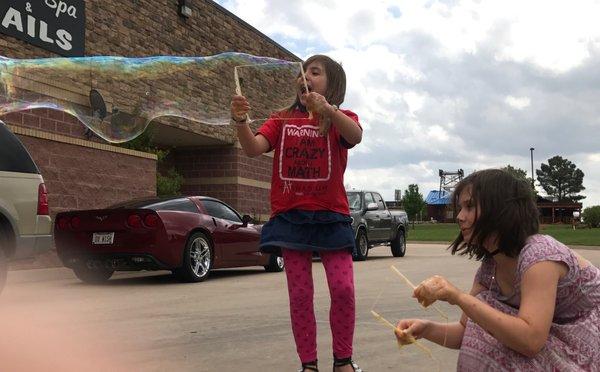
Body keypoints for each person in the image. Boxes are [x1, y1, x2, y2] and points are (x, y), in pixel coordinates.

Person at [230, 55, 363, 372]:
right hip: (290, 218)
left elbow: (355, 136)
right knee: (301, 295)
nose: (306, 76)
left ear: (333, 84)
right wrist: (240, 121)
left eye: (315, 72)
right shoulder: (281, 118)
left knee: (343, 289)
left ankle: (342, 360)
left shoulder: (340, 117)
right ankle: (309, 365)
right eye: (303, 72)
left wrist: (326, 110)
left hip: (331, 216)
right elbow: (253, 148)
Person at [395, 169, 600, 371]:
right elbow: (466, 331)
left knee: (481, 306)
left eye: (469, 206)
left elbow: (531, 340)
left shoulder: (540, 256)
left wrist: (458, 297)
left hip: (588, 350)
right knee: (482, 310)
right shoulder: (490, 268)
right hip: (557, 348)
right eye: (460, 208)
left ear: (499, 211)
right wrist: (425, 329)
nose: (459, 216)